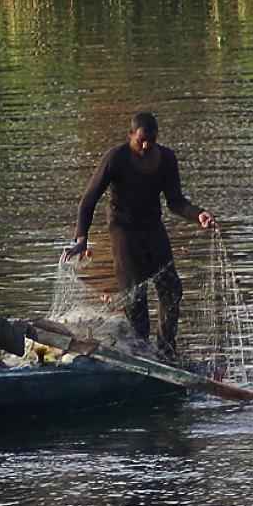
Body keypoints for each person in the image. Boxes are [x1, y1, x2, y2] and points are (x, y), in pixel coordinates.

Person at [61, 112, 216, 360]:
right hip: (123, 229)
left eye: (151, 141)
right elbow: (89, 199)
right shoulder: (116, 158)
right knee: (136, 298)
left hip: (152, 227)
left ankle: (166, 350)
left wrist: (198, 214)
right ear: (131, 136)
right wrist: (82, 238)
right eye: (140, 141)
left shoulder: (166, 159)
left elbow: (175, 201)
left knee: (172, 289)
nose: (145, 146)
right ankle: (141, 353)